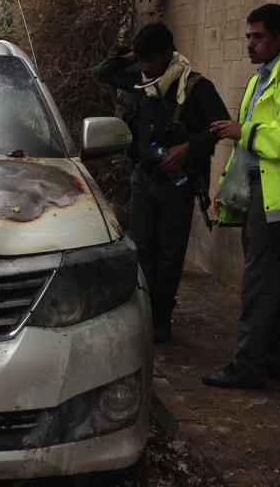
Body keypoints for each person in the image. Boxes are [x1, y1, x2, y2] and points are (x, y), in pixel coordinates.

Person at [93, 22, 230, 343]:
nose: (144, 67)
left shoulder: (195, 86)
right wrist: (133, 55)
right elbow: (103, 70)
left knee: (169, 255)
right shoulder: (141, 80)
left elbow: (221, 126)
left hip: (177, 184)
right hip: (144, 179)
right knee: (141, 249)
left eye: (150, 60)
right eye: (140, 60)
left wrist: (188, 147)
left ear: (169, 54)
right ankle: (141, 313)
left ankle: (161, 318)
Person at [203, 4, 280, 389]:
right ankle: (272, 360)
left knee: (257, 285)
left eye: (258, 36)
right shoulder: (264, 76)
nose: (250, 43)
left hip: (277, 197)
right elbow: (243, 143)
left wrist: (245, 132)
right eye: (248, 36)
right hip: (260, 191)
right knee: (269, 285)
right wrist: (229, 190)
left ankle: (248, 367)